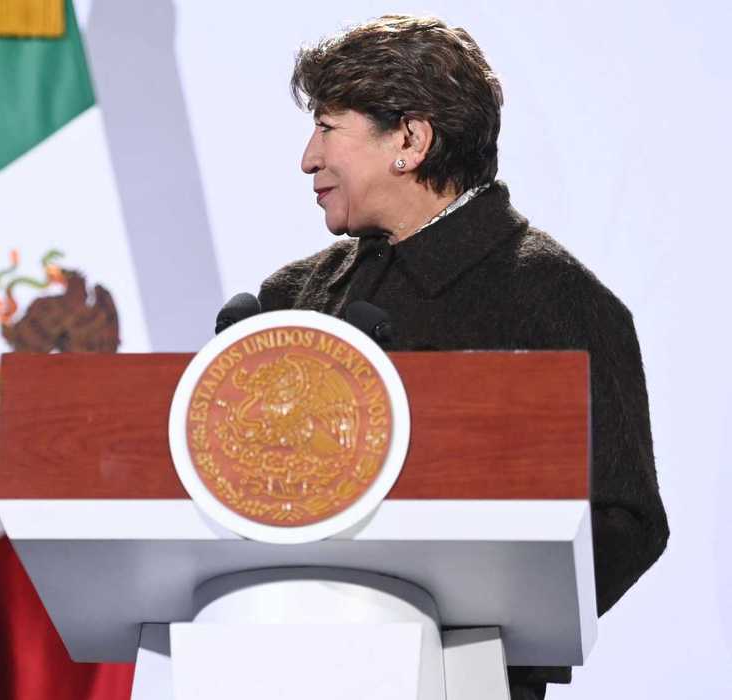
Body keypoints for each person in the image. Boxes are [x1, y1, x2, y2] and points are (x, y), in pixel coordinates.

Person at [258, 15, 669, 700]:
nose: (307, 157)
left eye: (328, 128)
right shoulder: (288, 301)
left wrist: (476, 619)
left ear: (410, 141)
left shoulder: (552, 298)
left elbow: (623, 521)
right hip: (275, 666)